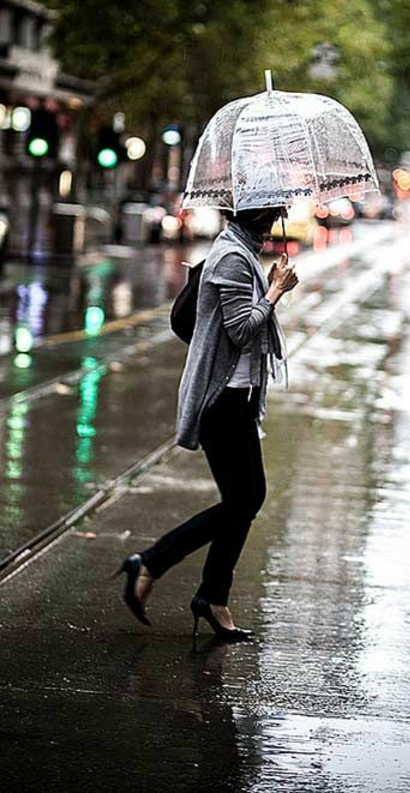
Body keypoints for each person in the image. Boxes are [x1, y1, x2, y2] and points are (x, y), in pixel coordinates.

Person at [113, 206, 298, 640]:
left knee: (245, 498)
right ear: (255, 212)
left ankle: (212, 596)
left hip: (239, 397)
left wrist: (269, 284)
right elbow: (241, 330)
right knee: (244, 499)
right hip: (223, 400)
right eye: (274, 208)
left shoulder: (242, 251)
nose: (281, 213)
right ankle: (156, 563)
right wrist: (275, 292)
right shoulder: (232, 257)